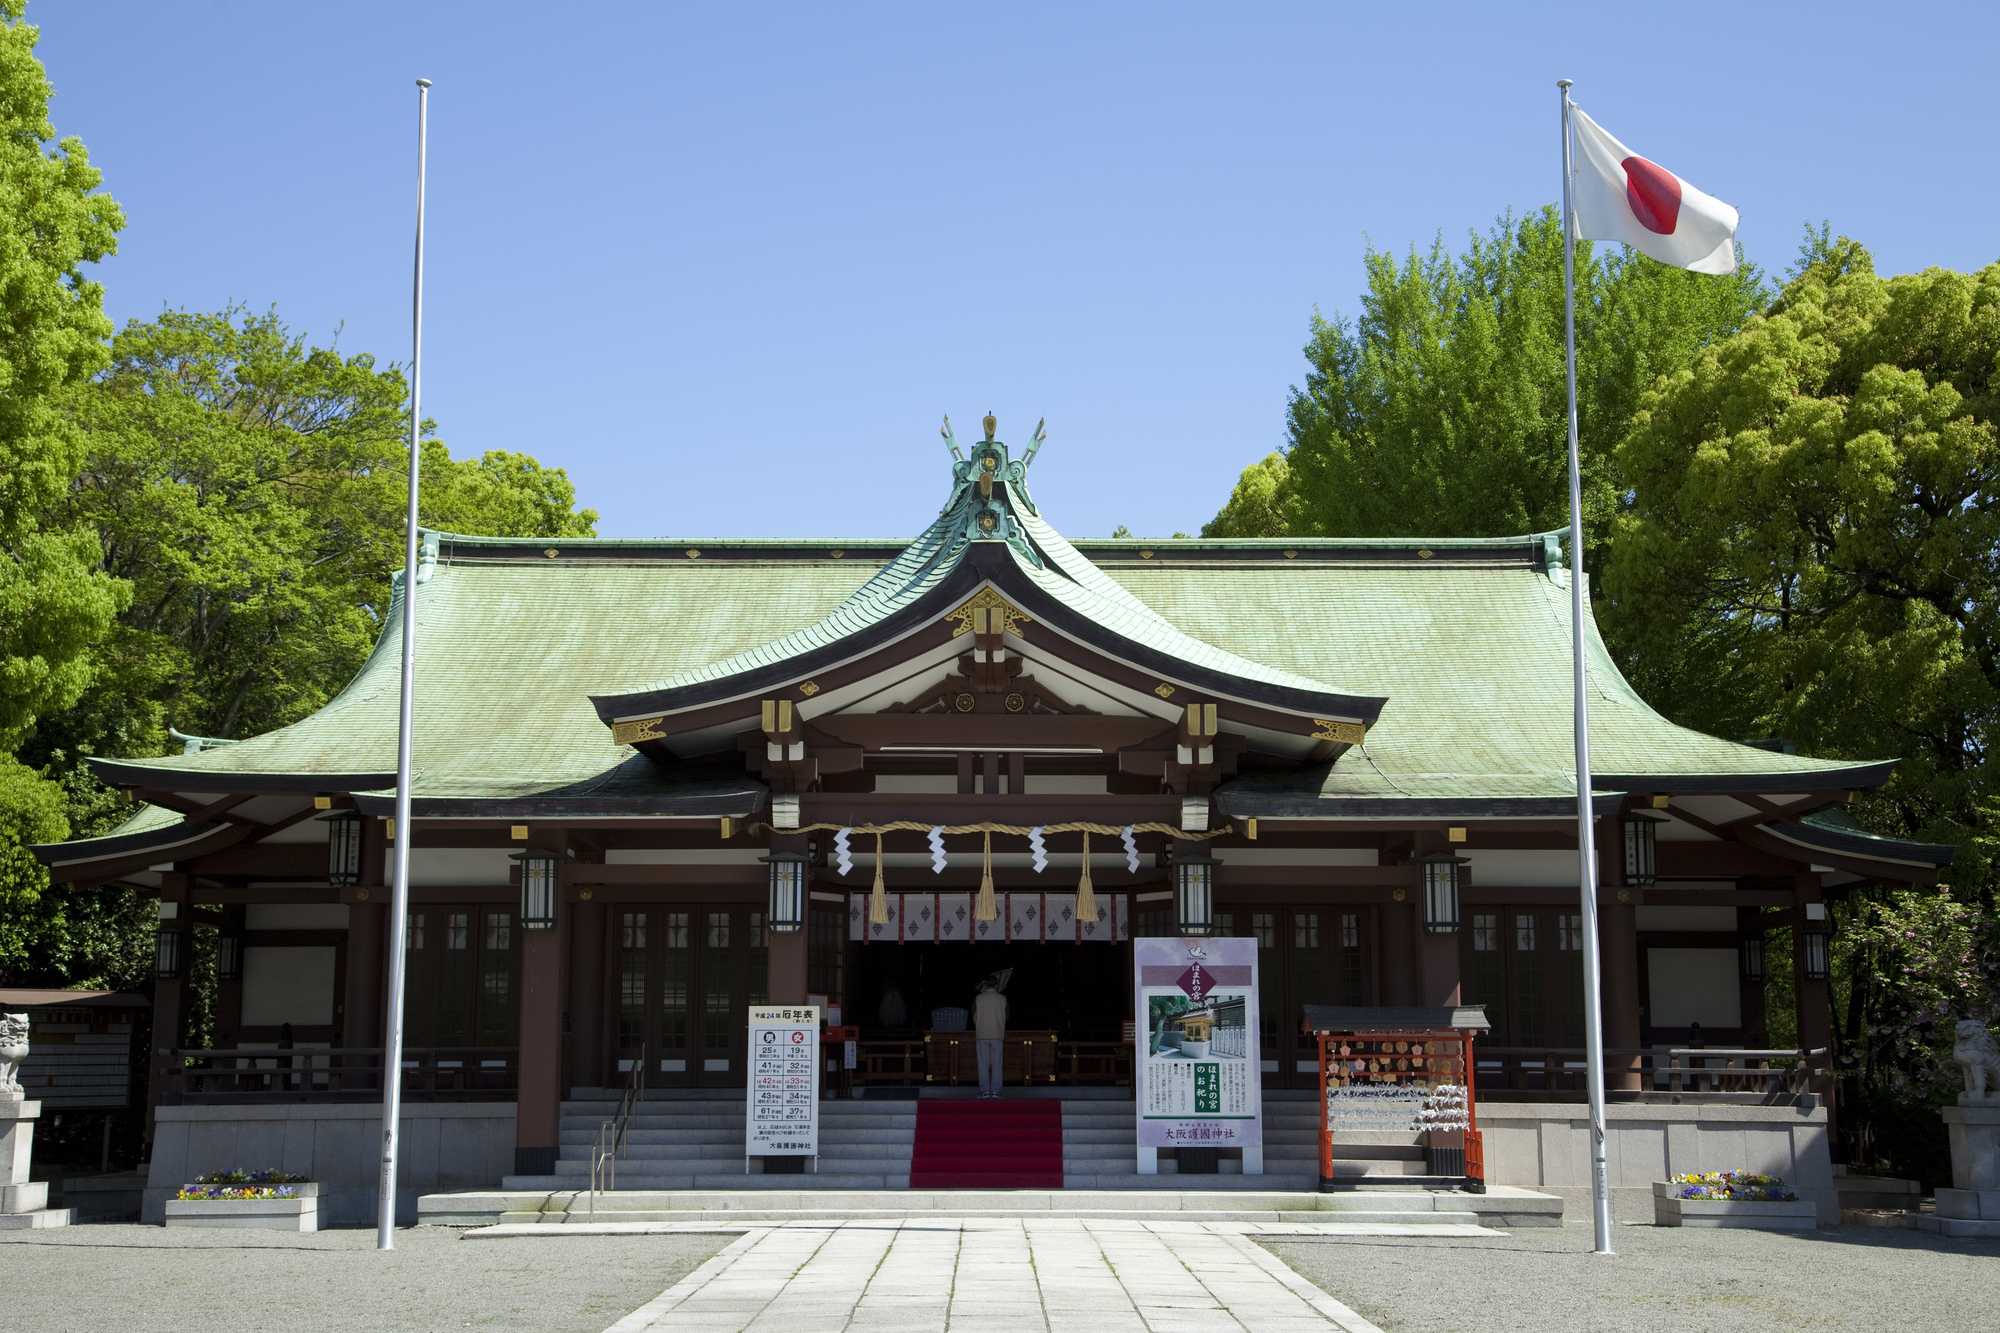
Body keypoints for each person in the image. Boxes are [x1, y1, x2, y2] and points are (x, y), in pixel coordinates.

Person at [974, 975, 1008, 1099]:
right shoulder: (1002, 998)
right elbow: (1007, 1015)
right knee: (997, 1064)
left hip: (982, 1033)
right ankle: (996, 1091)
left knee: (983, 1064)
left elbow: (974, 1015)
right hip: (997, 1034)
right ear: (996, 984)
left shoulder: (978, 998)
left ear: (985, 984)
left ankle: (984, 1091)